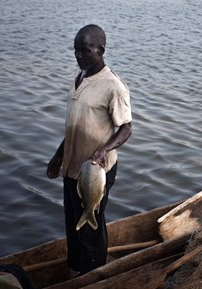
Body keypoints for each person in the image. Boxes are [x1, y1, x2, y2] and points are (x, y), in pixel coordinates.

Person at [46, 24, 132, 276]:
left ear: (100, 50)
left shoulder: (113, 86)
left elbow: (126, 129)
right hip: (73, 167)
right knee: (74, 222)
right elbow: (75, 126)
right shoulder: (80, 77)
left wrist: (104, 150)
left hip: (95, 171)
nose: (78, 55)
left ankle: (94, 276)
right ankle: (75, 271)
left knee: (90, 225)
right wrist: (57, 157)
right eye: (76, 50)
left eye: (84, 50)